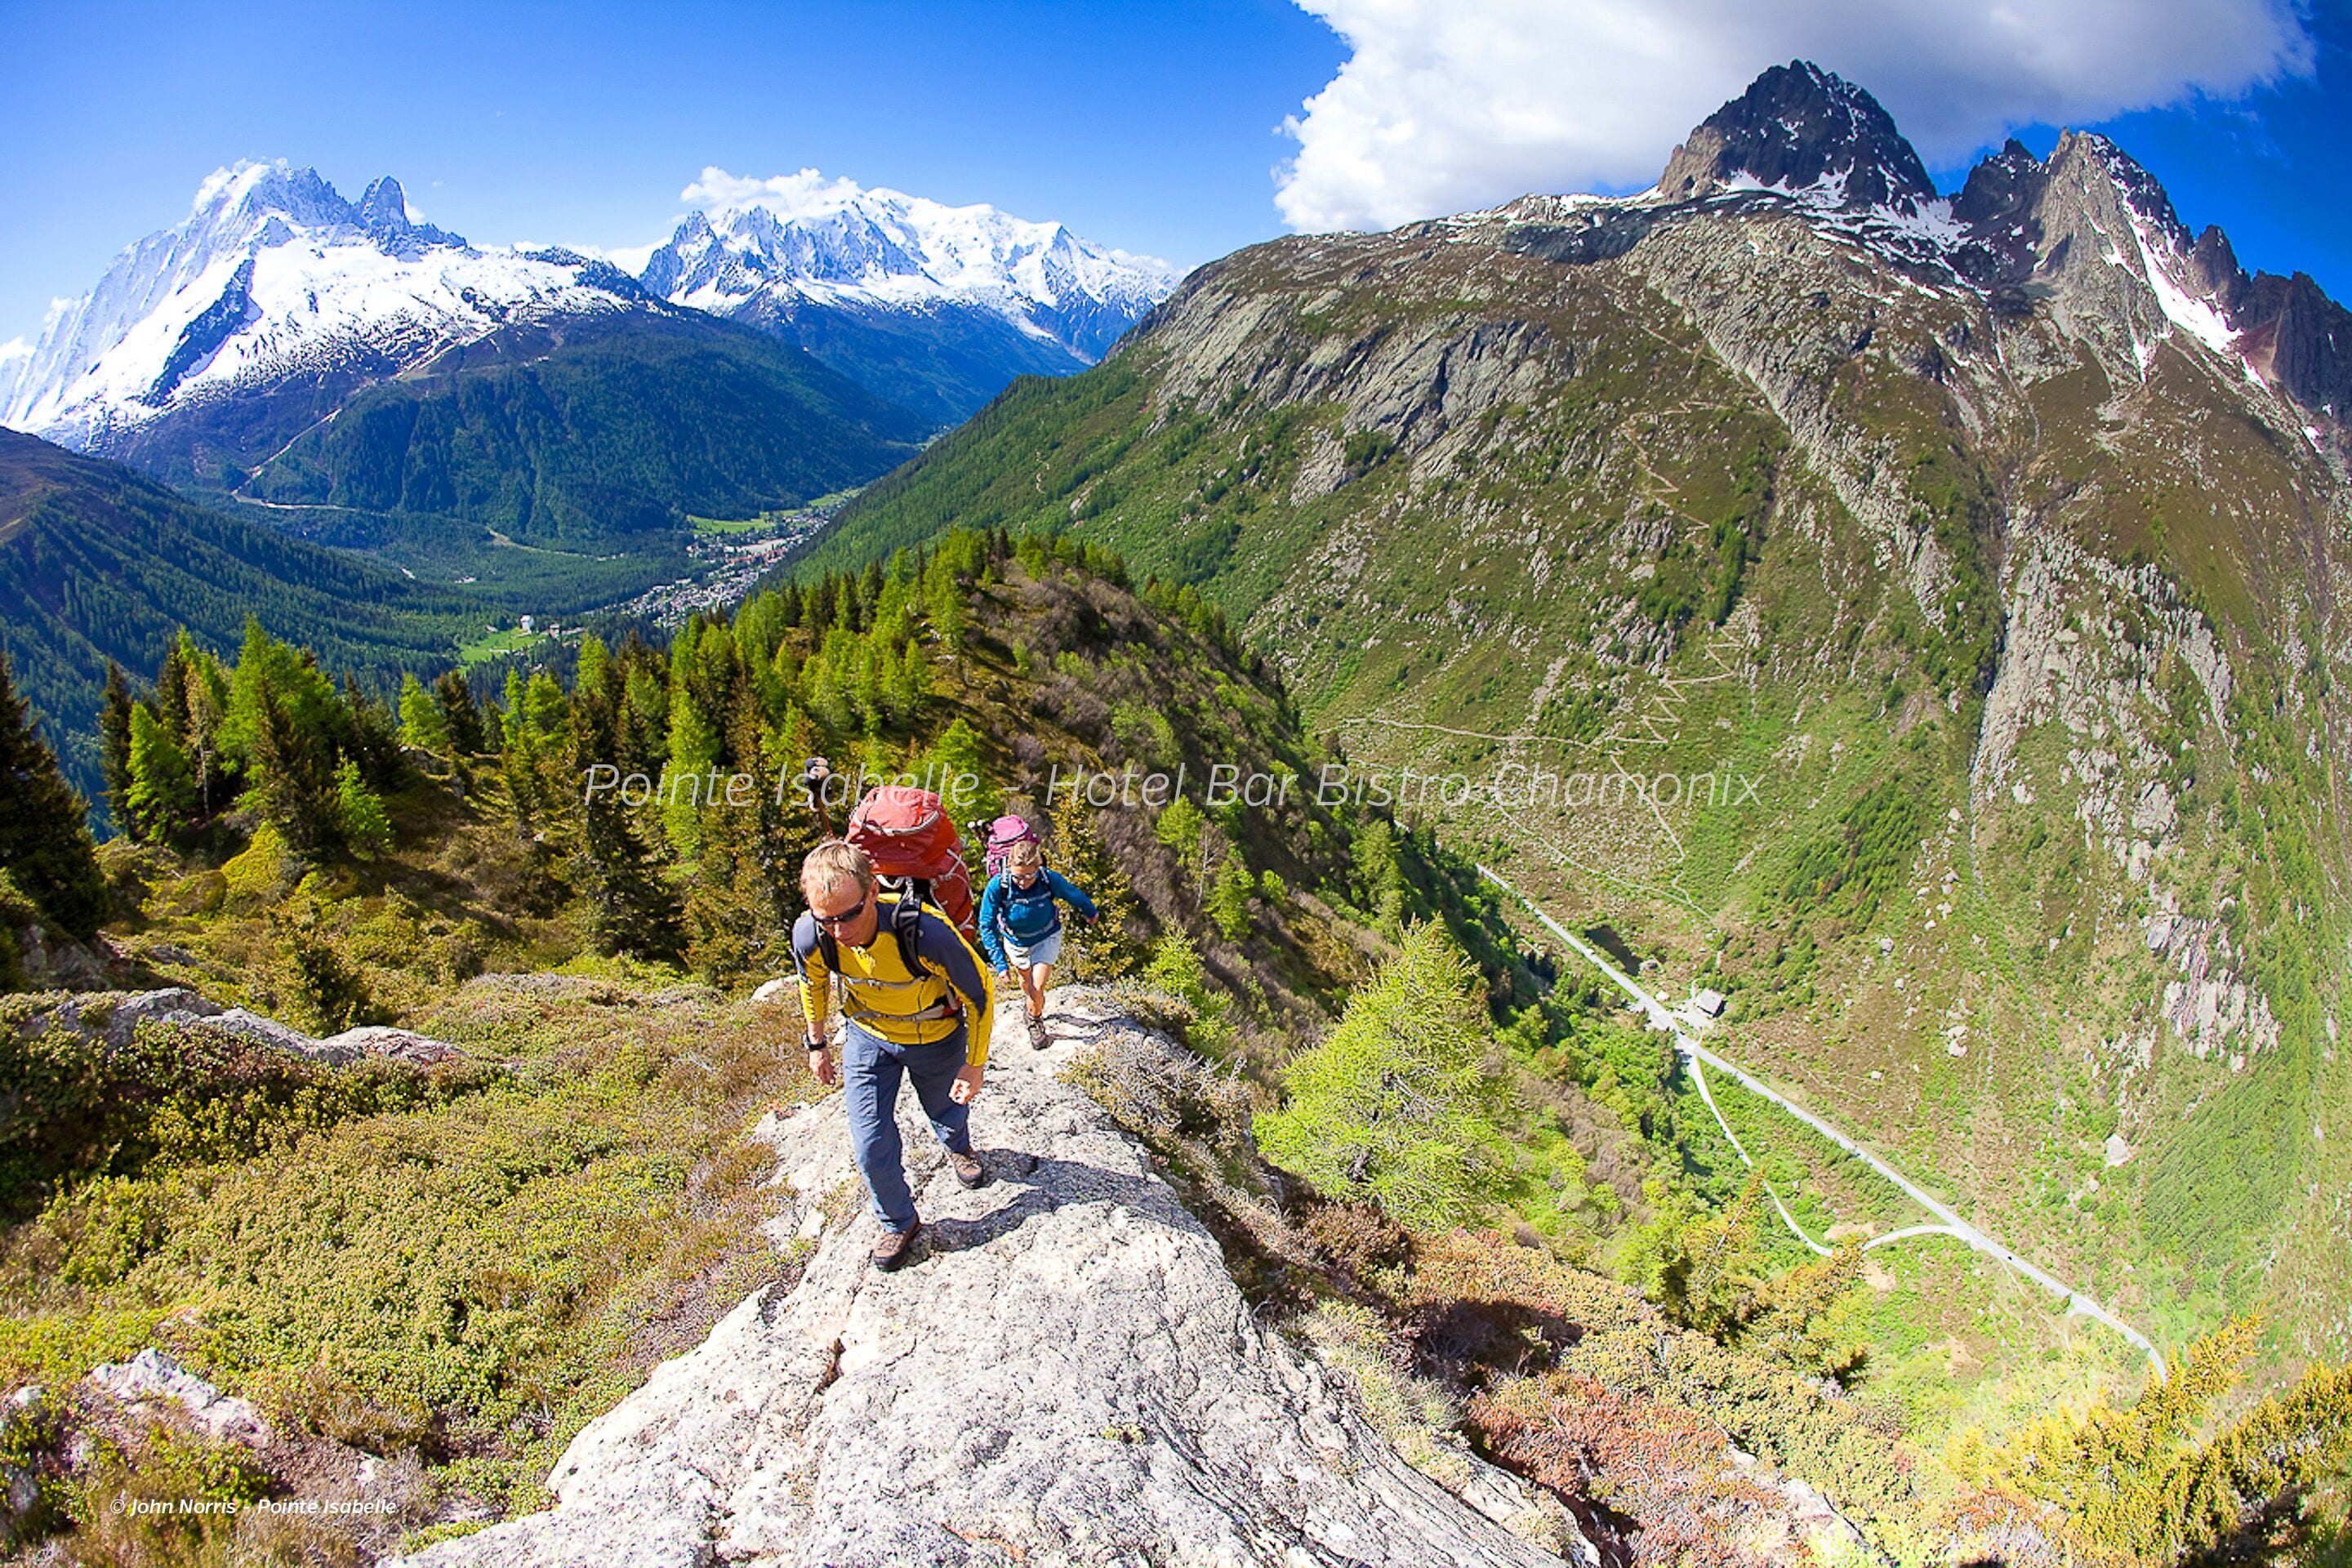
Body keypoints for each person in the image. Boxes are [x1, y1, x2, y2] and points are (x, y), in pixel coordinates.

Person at [792, 840, 996, 1271]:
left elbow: (979, 993)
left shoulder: (923, 931)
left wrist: (973, 1064)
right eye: (826, 919)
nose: (840, 931)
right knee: (869, 1142)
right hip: (868, 1037)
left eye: (849, 915)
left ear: (872, 893)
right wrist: (817, 1043)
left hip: (935, 1038)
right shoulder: (812, 934)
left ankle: (958, 1146)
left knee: (946, 1108)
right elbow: (812, 983)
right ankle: (899, 1221)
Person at [976, 839, 1098, 1050]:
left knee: (1037, 986)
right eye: (1018, 877)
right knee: (1027, 985)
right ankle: (1031, 1007)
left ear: (1038, 868)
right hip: (1015, 942)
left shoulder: (1048, 879)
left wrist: (1090, 911)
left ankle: (1034, 1021)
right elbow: (986, 924)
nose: (1023, 882)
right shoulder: (999, 885)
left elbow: (1072, 893)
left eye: (1029, 876)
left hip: (1046, 936)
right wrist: (1000, 964)